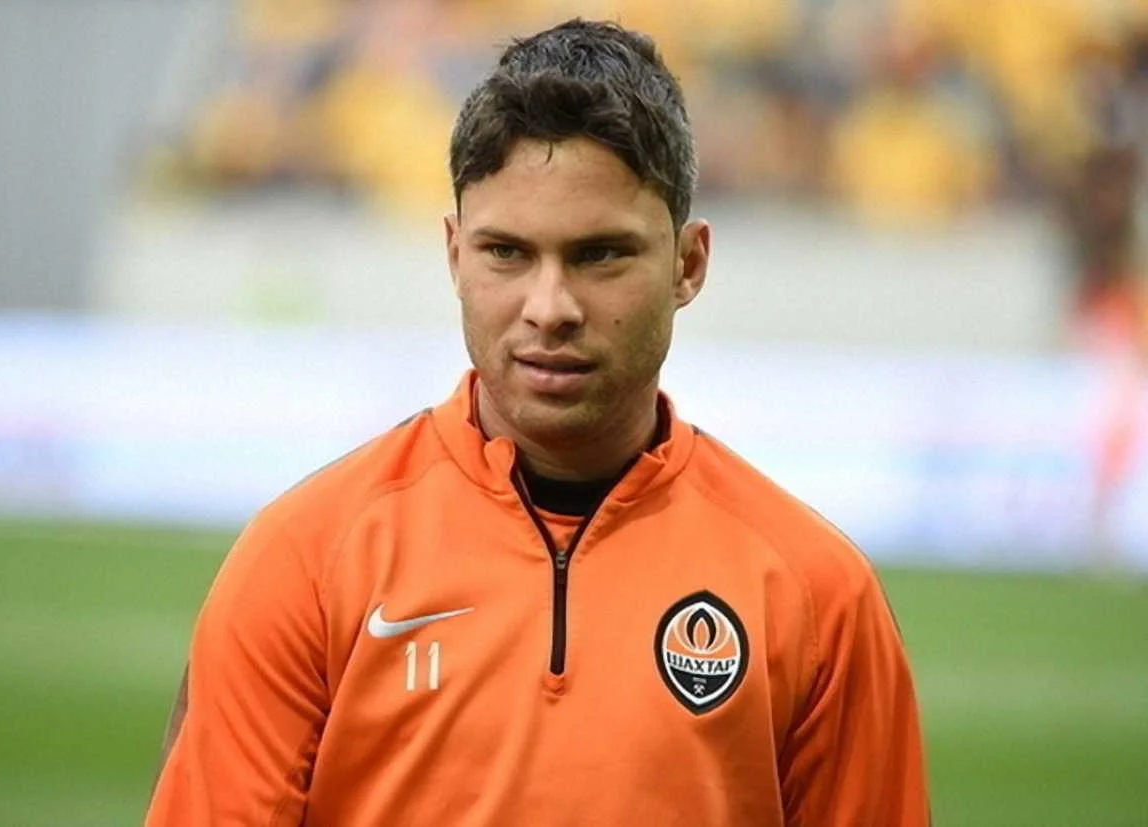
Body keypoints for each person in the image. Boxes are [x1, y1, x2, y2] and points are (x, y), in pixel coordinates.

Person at [146, 19, 929, 826]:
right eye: (507, 253)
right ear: (455, 256)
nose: (549, 307)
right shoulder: (305, 561)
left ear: (688, 264)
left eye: (600, 254)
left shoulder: (818, 595)